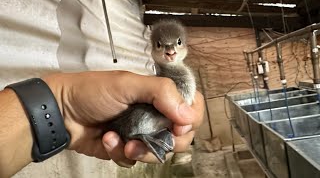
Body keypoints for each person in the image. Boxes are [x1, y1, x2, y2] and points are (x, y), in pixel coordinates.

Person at [0, 70, 204, 177]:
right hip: (134, 126)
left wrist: (63, 108)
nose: (170, 51)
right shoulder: (161, 84)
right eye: (161, 46)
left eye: (177, 44)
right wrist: (62, 104)